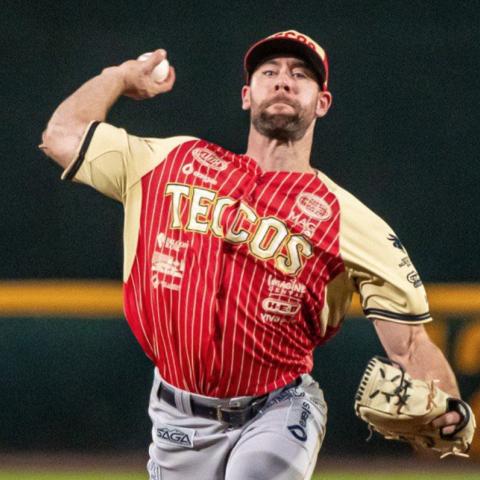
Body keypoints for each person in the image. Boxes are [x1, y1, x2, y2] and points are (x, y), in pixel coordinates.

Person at [41, 30, 468, 480]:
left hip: (278, 410)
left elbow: (412, 344)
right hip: (176, 420)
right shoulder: (169, 163)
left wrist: (449, 408)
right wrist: (119, 77)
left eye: (300, 75)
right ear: (247, 96)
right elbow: (62, 135)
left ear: (322, 102)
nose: (283, 81)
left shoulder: (350, 221)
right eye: (270, 72)